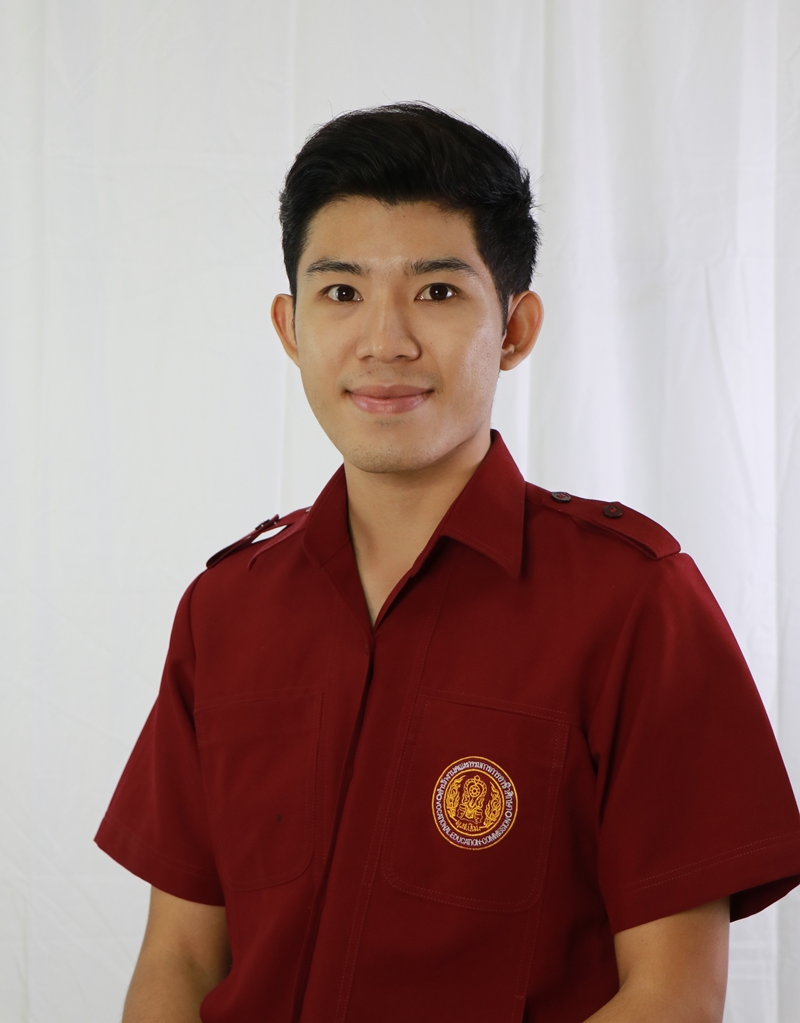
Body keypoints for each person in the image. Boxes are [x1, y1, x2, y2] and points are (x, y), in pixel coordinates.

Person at [96, 103, 800, 1023]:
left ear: (515, 327)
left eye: (436, 291)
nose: (384, 341)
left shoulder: (634, 601)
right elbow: (179, 961)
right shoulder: (224, 612)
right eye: (341, 293)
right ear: (289, 326)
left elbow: (673, 996)